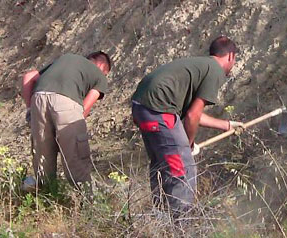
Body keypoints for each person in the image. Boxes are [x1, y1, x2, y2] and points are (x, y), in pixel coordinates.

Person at [130, 36, 243, 214]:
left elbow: (194, 113)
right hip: (159, 110)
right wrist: (188, 145)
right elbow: (192, 115)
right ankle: (180, 225)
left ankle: (160, 219)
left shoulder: (199, 65)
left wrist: (227, 125)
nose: (233, 64)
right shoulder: (215, 71)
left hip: (142, 108)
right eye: (235, 60)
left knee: (162, 164)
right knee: (183, 167)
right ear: (230, 56)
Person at [21, 51, 112, 187]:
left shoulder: (64, 59)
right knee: (75, 152)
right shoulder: (99, 75)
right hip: (66, 102)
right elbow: (85, 107)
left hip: (38, 98)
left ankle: (46, 193)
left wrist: (30, 109)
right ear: (102, 65)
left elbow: (28, 77)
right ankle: (84, 196)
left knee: (42, 153)